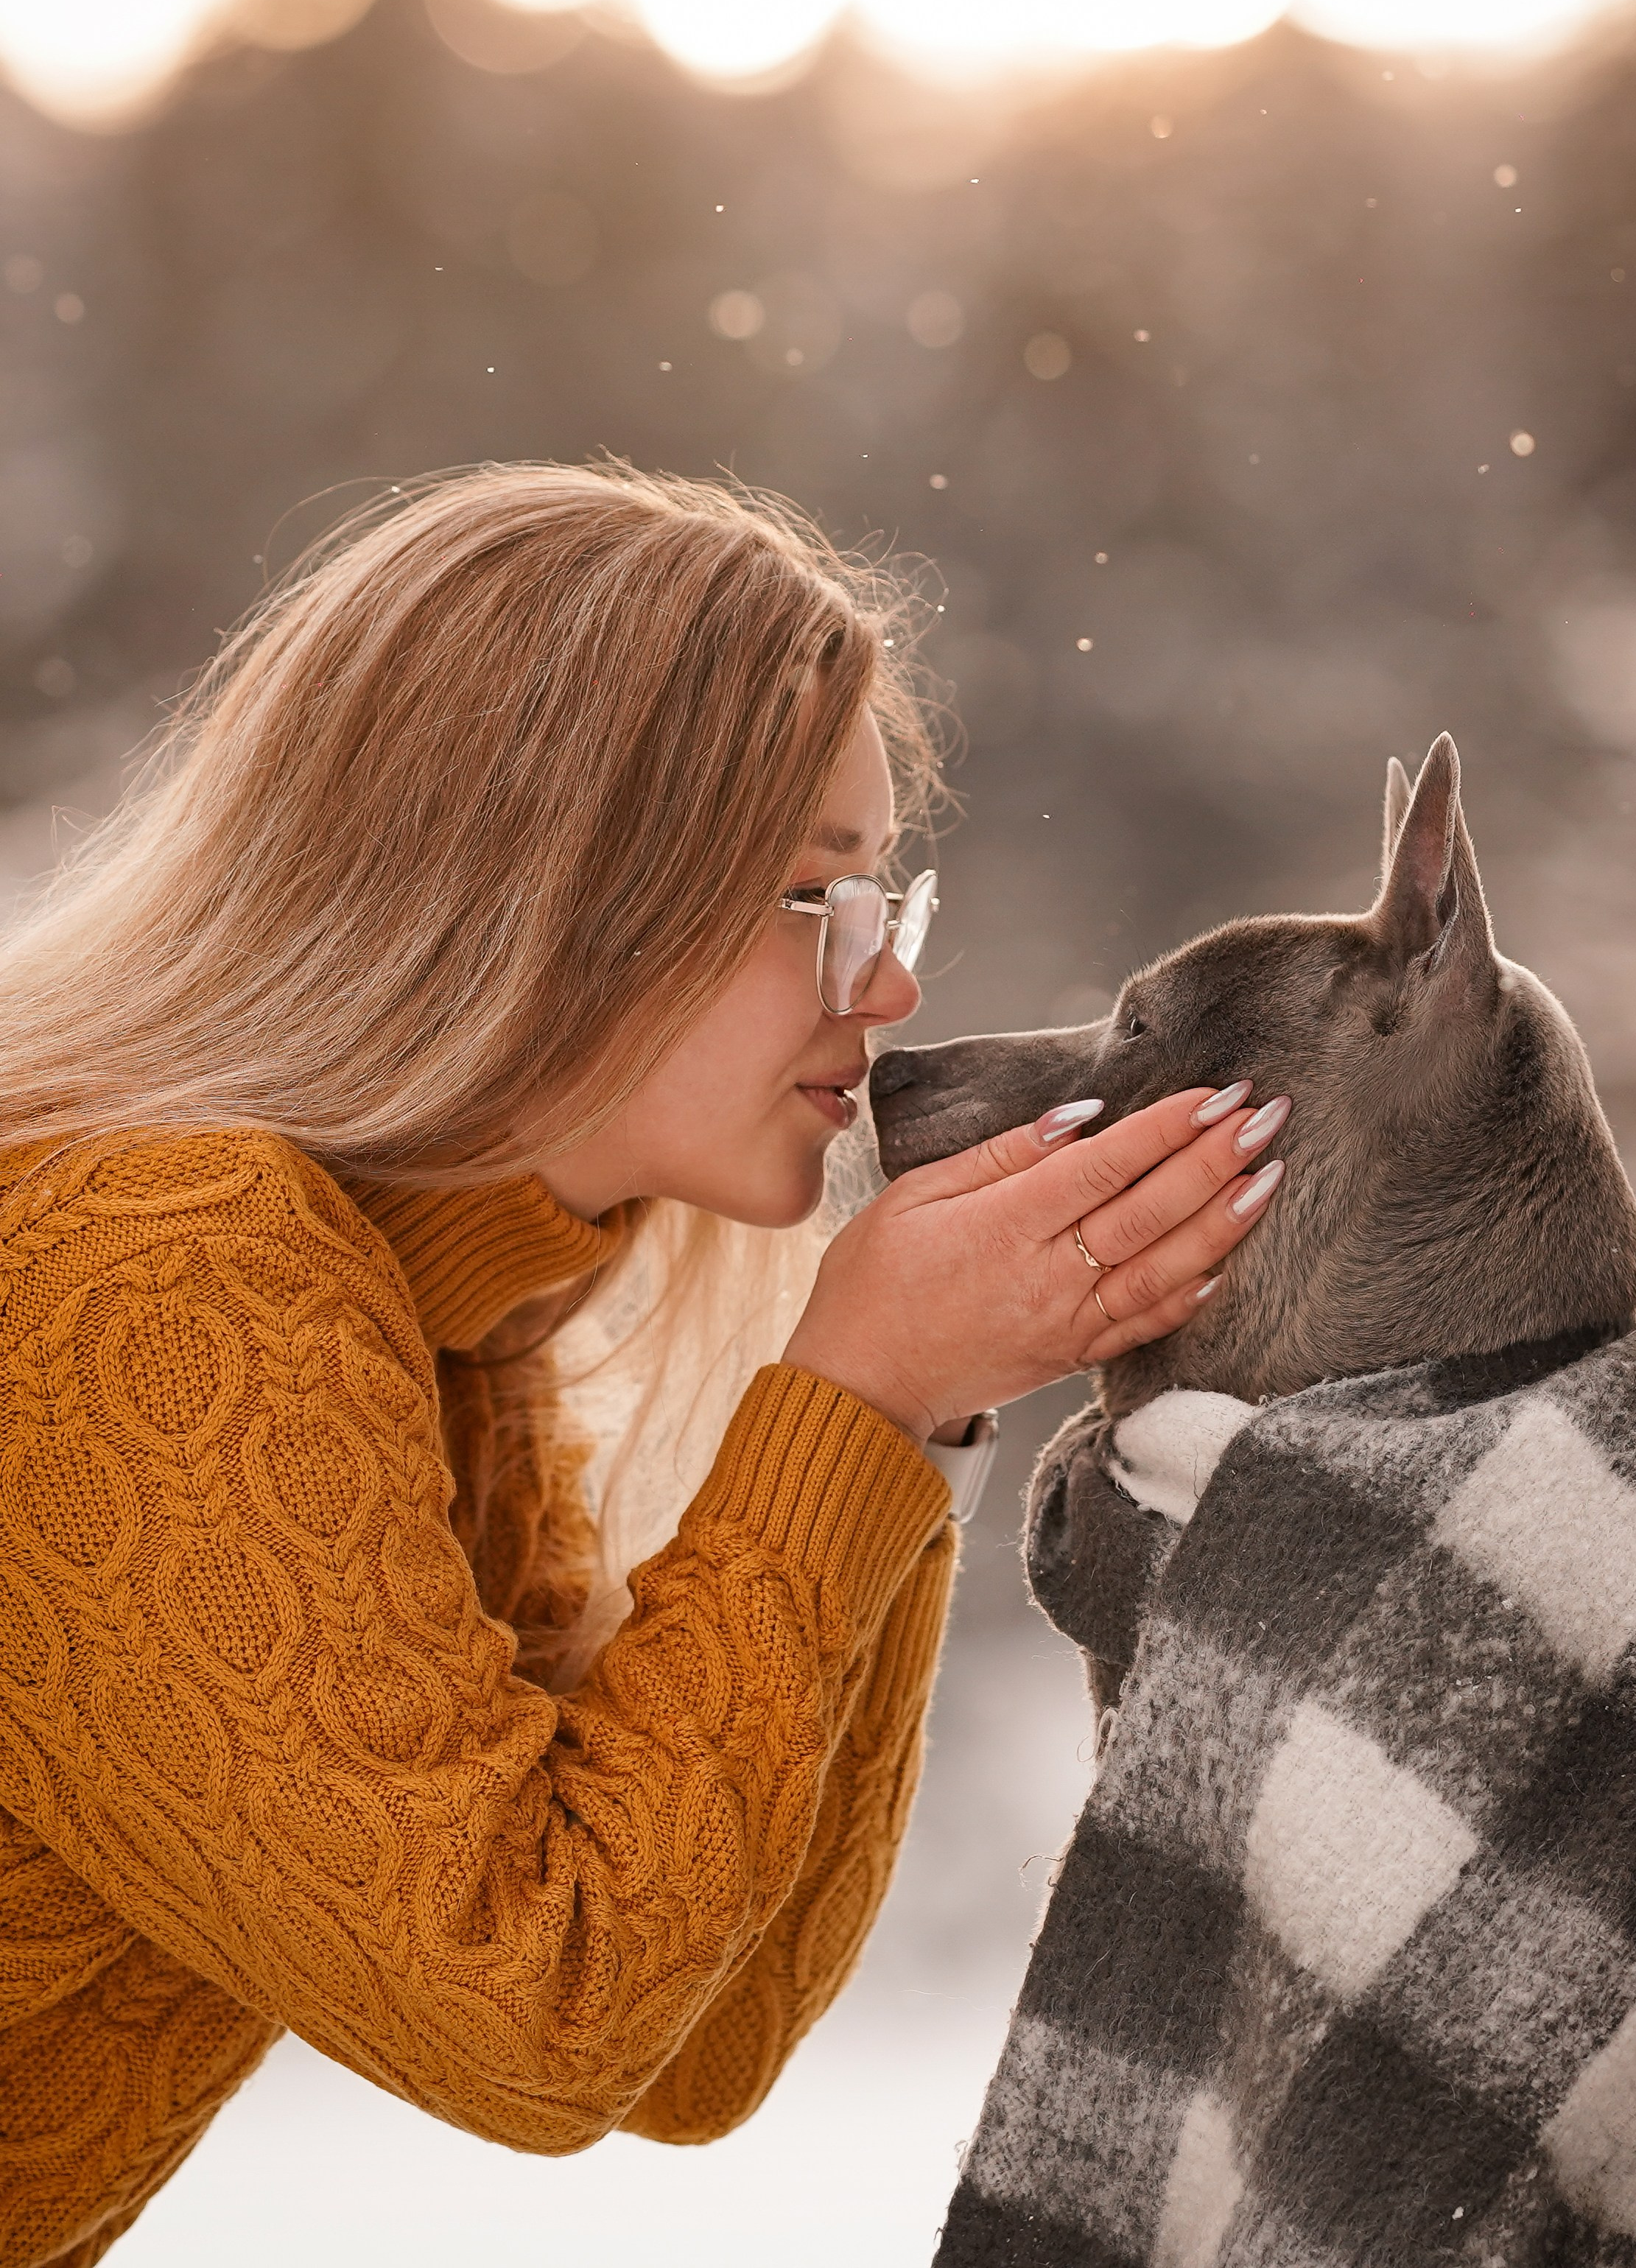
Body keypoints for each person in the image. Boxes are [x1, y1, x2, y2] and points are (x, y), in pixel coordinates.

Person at [0, 465, 1284, 2267]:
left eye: (887, 903)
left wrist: (899, 1423)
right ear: (545, 888)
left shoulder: (443, 1347)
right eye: (816, 897)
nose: (890, 991)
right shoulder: (157, 1274)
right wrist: (851, 1397)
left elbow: (691, 2042)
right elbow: (544, 2011)